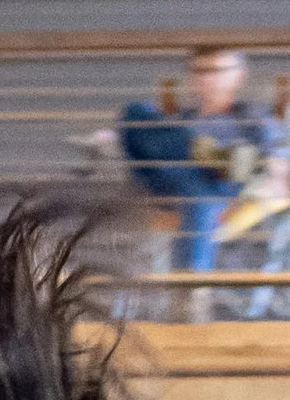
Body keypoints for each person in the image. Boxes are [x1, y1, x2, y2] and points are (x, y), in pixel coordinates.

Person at [118, 46, 290, 289]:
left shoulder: (253, 119)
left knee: (199, 194)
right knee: (134, 113)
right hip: (165, 180)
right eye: (199, 71)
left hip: (219, 189)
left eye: (216, 70)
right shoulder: (179, 118)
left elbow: (278, 171)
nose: (206, 78)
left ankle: (190, 291)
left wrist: (251, 198)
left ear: (239, 75)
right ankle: (206, 152)